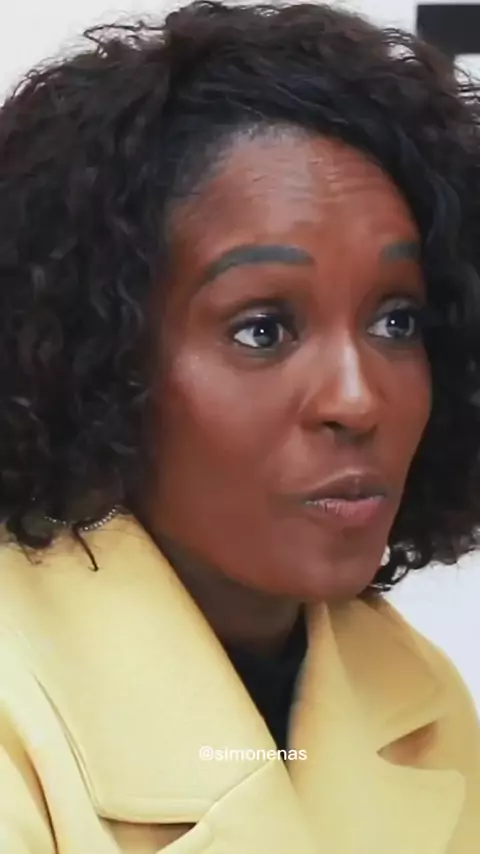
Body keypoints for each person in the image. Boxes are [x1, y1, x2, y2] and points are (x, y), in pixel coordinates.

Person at [0, 1, 480, 851]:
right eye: (263, 330)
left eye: (396, 321)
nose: (357, 398)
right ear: (97, 360)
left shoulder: (416, 697)